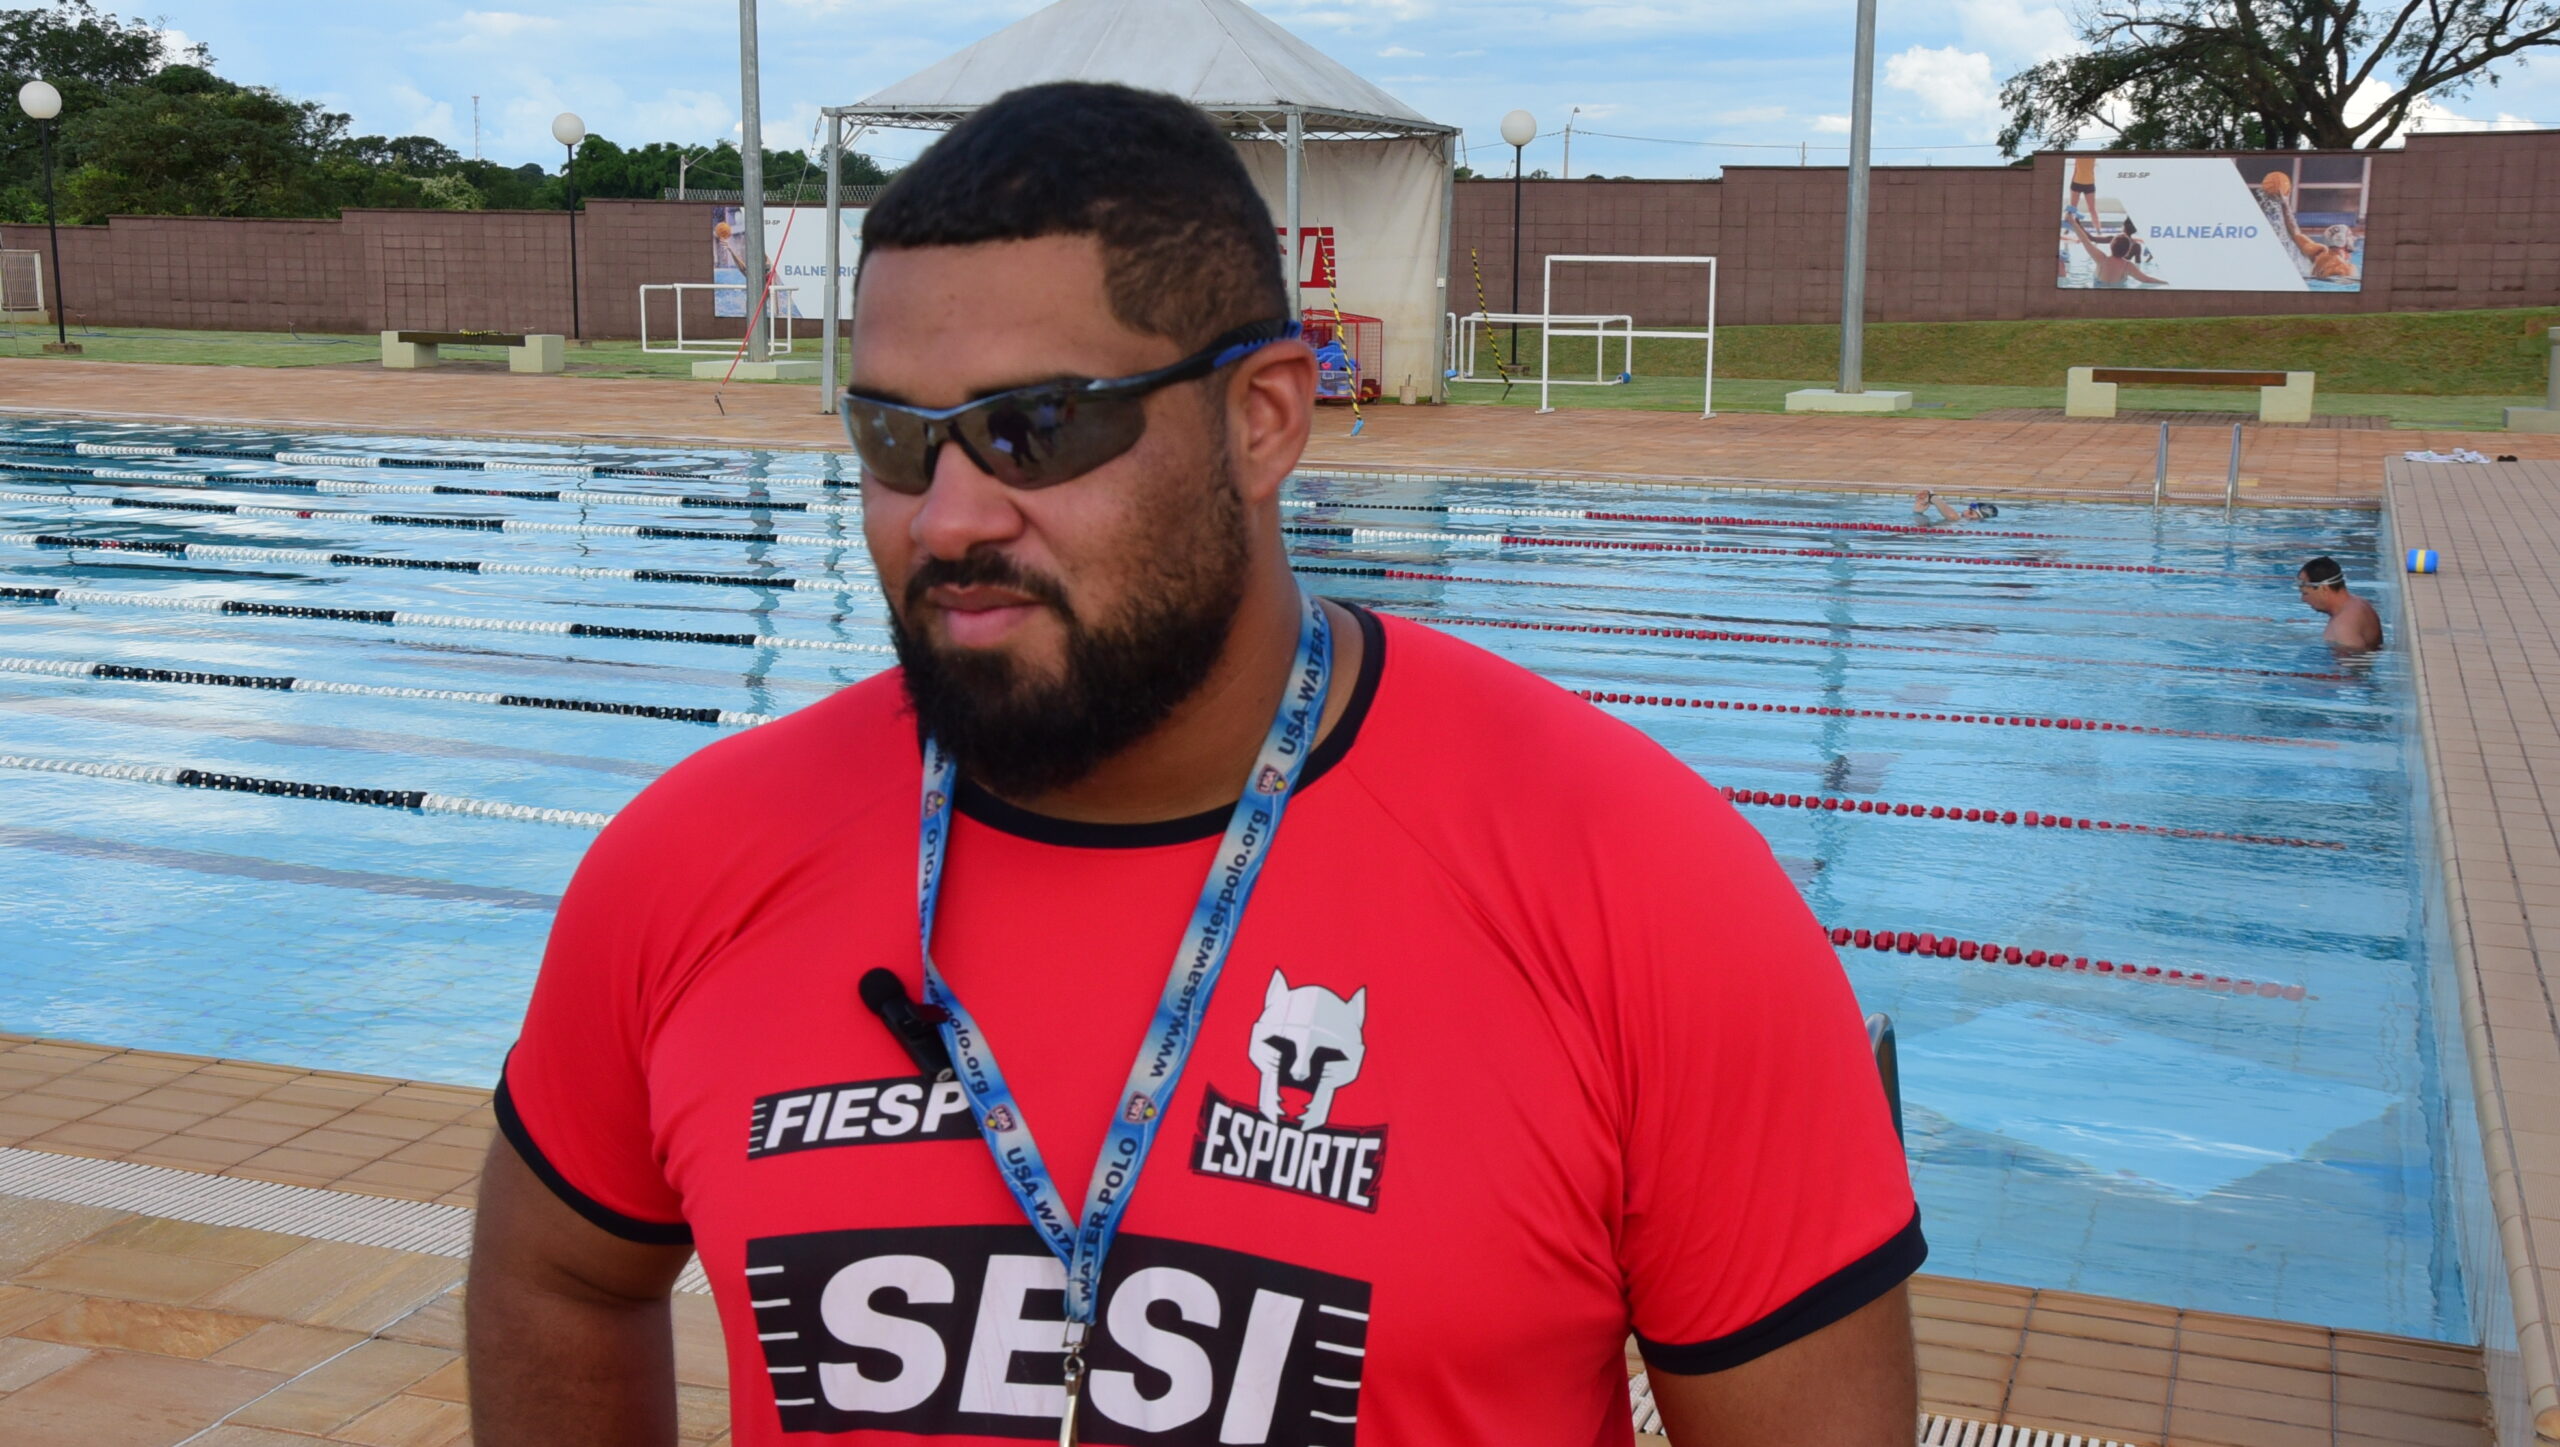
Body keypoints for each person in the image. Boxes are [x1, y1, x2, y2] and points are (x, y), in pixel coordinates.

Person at [468, 81, 1923, 1447]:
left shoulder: (1636, 886)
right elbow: (563, 1273)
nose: (948, 516)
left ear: (1263, 418)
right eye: (895, 438)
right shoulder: (697, 860)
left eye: (1033, 429)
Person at [2296, 555, 2383, 651]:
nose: (2303, 599)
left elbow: (2353, 664)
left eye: (2305, 593)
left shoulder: (2342, 627)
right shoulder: (2360, 603)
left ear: (2324, 588)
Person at [2065, 211, 2166, 286]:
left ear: (2110, 245)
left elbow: (2085, 240)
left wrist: (2073, 222)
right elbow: (2146, 279)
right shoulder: (2128, 266)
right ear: (2127, 251)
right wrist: (2165, 282)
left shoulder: (2101, 259)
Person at [1913, 489, 1997, 524]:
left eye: (1971, 512)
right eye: (1968, 509)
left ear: (1979, 519)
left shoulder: (1962, 523)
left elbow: (1953, 517)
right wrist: (1918, 512)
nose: (1965, 512)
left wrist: (1933, 498)